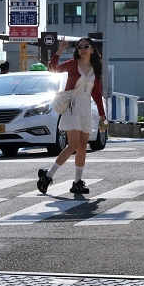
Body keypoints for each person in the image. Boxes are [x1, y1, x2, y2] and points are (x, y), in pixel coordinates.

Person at [36, 37, 107, 196]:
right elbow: (52, 68)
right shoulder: (72, 64)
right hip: (72, 107)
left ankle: (77, 182)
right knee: (73, 144)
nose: (82, 49)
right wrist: (60, 50)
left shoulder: (96, 68)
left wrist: (102, 115)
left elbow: (97, 93)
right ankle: (48, 176)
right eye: (79, 46)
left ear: (92, 49)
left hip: (85, 109)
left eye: (86, 46)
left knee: (83, 145)